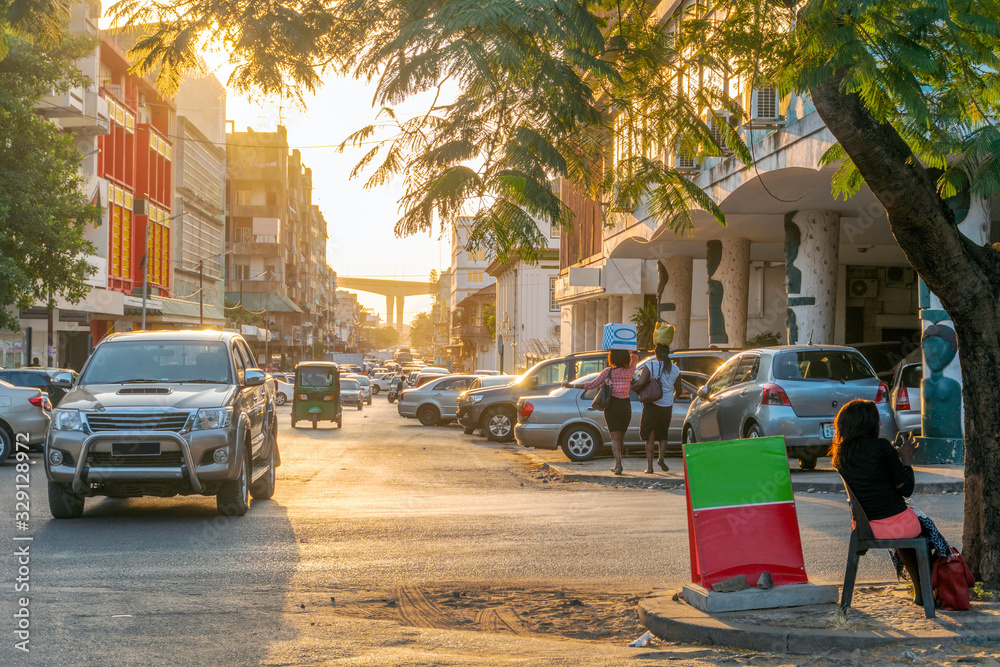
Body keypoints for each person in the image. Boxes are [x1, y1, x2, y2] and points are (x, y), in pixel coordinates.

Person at [831, 399, 946, 604]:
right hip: (896, 524)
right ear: (870, 423)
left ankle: (922, 592)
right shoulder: (881, 447)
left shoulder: (841, 454)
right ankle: (926, 592)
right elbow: (906, 489)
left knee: (908, 527)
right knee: (923, 528)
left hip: (864, 527)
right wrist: (906, 460)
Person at [582, 349, 638, 475]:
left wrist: (575, 385)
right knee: (621, 438)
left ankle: (618, 464)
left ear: (612, 358)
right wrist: (631, 350)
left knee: (614, 438)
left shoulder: (608, 371)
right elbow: (635, 357)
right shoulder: (630, 371)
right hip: (625, 406)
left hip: (612, 406)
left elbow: (592, 385)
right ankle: (618, 463)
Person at [633, 344, 681, 474]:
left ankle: (649, 467)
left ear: (656, 354)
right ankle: (661, 458)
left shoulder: (651, 366)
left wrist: (634, 388)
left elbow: (641, 382)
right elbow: (679, 390)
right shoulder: (675, 369)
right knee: (663, 434)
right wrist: (671, 398)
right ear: (668, 353)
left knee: (650, 436)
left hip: (652, 405)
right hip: (667, 407)